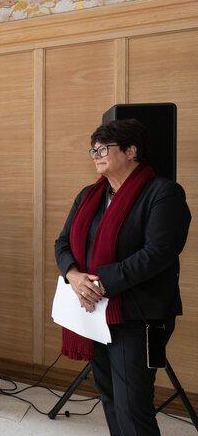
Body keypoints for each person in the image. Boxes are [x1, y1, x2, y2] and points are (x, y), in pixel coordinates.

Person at [55, 119, 190, 435]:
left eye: (104, 148)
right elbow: (63, 243)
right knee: (111, 396)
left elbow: (158, 253)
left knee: (133, 404)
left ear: (132, 151)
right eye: (94, 149)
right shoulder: (89, 195)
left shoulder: (164, 193)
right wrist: (74, 275)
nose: (96, 155)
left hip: (139, 315)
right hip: (93, 312)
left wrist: (101, 282)